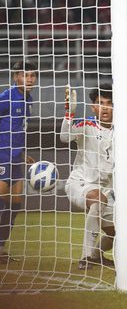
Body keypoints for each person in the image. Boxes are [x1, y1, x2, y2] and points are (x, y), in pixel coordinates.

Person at [61, 83, 127, 269]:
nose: (105, 107)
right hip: (80, 183)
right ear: (93, 107)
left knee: (119, 232)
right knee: (97, 199)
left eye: (109, 103)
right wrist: (69, 114)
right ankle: (86, 257)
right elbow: (65, 137)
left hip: (106, 190)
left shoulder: (123, 129)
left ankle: (97, 256)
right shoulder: (87, 125)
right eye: (100, 103)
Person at [0, 61, 37, 264]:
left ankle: (1, 248)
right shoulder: (7, 97)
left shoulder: (28, 99)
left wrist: (22, 153)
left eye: (32, 75)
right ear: (16, 77)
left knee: (15, 204)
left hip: (15, 158)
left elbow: (18, 129)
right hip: (1, 155)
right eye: (25, 75)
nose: (29, 79)